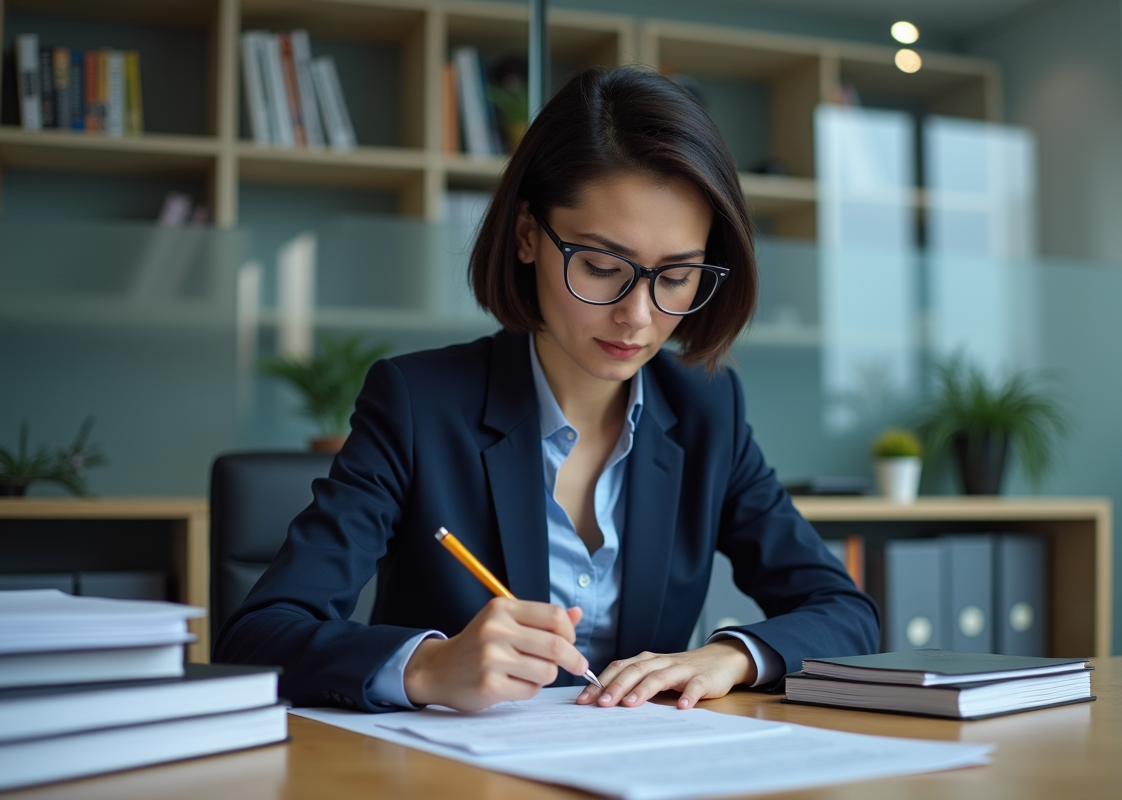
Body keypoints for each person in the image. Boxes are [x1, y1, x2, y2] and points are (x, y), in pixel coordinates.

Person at [214, 66, 879, 714]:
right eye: (601, 267)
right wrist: (427, 666)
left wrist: (731, 656)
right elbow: (257, 637)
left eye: (676, 277)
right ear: (528, 235)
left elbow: (844, 611)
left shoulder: (707, 410)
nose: (638, 316)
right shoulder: (418, 404)